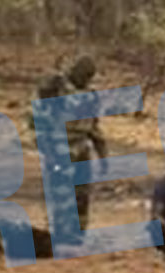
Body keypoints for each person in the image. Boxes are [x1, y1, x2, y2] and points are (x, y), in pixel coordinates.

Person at [32, 55, 108, 238]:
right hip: (59, 146)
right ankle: (59, 232)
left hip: (82, 147)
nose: (84, 77)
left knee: (82, 193)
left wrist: (102, 153)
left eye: (88, 74)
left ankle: (78, 233)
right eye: (81, 73)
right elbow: (43, 96)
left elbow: (94, 126)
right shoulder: (58, 88)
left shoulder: (91, 95)